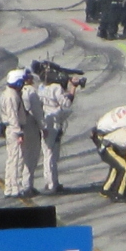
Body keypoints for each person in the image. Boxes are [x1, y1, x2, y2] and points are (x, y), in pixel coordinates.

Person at [31, 62, 79, 193]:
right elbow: (66, 102)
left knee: (47, 154)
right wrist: (73, 88)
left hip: (45, 121)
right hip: (54, 124)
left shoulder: (41, 88)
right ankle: (52, 184)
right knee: (52, 154)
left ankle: (49, 182)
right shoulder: (56, 88)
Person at [0, 68, 32, 198]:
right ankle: (15, 188)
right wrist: (19, 133)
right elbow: (13, 116)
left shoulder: (8, 93)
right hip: (14, 130)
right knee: (16, 159)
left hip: (11, 129)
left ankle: (9, 187)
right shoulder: (12, 97)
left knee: (11, 159)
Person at [20, 68, 43, 195]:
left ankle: (15, 186)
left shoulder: (14, 92)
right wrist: (43, 127)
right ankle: (27, 186)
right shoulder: (31, 92)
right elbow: (37, 112)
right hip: (30, 125)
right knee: (31, 155)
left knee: (19, 157)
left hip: (16, 128)